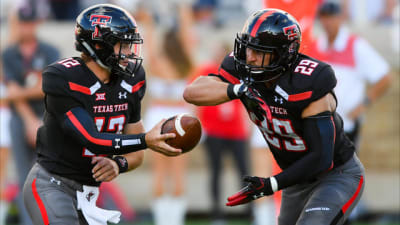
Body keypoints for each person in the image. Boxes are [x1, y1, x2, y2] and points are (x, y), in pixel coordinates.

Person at [184, 9, 365, 225]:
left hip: (336, 174)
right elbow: (191, 93)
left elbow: (321, 158)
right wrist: (238, 90)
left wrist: (271, 184)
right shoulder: (242, 68)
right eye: (248, 48)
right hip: (296, 180)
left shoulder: (308, 81)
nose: (249, 57)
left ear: (283, 53)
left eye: (259, 52)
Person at [22, 4, 181, 225]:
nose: (129, 53)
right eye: (123, 45)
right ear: (99, 45)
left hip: (90, 193)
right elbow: (92, 139)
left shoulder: (132, 79)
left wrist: (118, 165)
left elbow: (135, 155)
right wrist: (146, 140)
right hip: (52, 184)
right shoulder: (63, 77)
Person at [310, 1, 392, 223]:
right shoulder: (317, 46)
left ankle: (344, 216)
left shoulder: (355, 45)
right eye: (324, 17)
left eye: (331, 17)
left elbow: (384, 77)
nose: (327, 22)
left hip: (347, 123)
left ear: (340, 18)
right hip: (322, 123)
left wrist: (363, 103)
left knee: (342, 175)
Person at [2, 5, 60, 225]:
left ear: (37, 23)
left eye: (30, 22)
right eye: (22, 23)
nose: (26, 28)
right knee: (23, 175)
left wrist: (23, 93)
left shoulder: (49, 50)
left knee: (45, 176)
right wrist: (29, 121)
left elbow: (48, 87)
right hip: (21, 118)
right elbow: (11, 91)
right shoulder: (9, 53)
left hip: (46, 117)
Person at [137, 5, 195, 225]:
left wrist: (149, 23)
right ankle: (176, 221)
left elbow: (147, 42)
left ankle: (163, 221)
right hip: (181, 117)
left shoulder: (158, 60)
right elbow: (188, 35)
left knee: (159, 172)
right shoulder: (186, 61)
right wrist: (184, 11)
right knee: (179, 172)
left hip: (159, 118)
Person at [193, 43, 251, 224]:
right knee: (216, 171)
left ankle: (251, 211)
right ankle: (217, 213)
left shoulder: (238, 73)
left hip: (236, 131)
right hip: (214, 130)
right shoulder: (207, 70)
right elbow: (196, 95)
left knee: (244, 171)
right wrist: (198, 126)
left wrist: (247, 127)